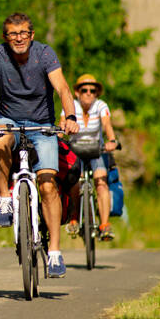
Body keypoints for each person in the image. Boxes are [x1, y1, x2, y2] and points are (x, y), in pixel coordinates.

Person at [0, 12, 79, 278]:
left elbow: (62, 88)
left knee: (49, 184)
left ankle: (54, 251)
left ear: (32, 34)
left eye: (24, 33)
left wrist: (70, 117)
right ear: (5, 37)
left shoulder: (45, 54)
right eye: (13, 34)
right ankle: (5, 197)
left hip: (43, 125)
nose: (19, 38)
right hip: (10, 120)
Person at [61, 74, 119, 241]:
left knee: (101, 181)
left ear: (96, 93)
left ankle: (105, 225)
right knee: (74, 182)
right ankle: (73, 218)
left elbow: (107, 125)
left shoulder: (101, 106)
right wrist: (62, 130)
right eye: (84, 90)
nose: (88, 93)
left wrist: (112, 140)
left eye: (92, 90)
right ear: (77, 92)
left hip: (96, 149)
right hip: (75, 150)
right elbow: (62, 122)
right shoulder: (70, 106)